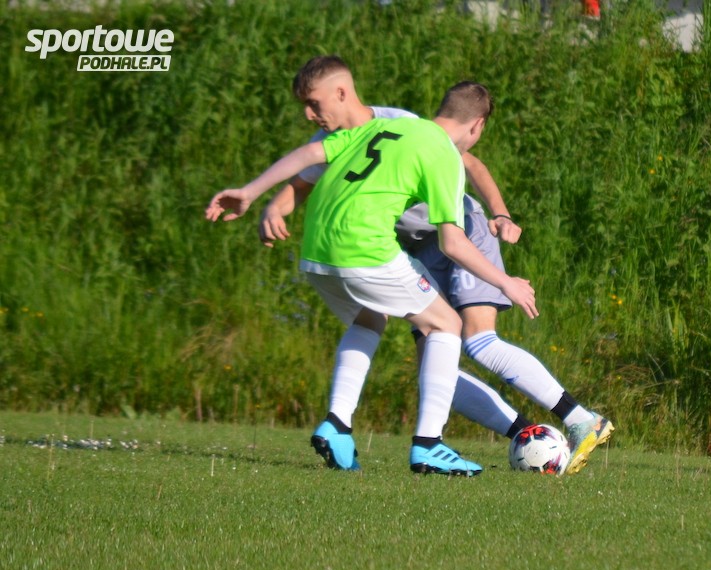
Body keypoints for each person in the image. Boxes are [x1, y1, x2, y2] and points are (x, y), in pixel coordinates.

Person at [260, 56, 613, 475]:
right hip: (411, 247)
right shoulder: (338, 136)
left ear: (340, 94)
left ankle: (581, 419)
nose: (310, 115)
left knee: (478, 341)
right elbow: (303, 179)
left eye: (314, 104)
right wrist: (274, 207)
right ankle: (523, 433)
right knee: (434, 356)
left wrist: (500, 214)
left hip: (464, 231)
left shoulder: (402, 124)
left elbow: (470, 164)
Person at [206, 81, 539, 477]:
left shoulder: (382, 126)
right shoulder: (443, 154)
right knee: (446, 324)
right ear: (478, 126)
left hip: (316, 248)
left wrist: (251, 191)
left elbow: (310, 154)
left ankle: (337, 424)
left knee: (370, 317)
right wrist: (505, 282)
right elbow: (452, 243)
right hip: (365, 248)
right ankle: (429, 445)